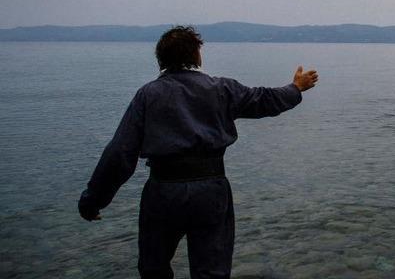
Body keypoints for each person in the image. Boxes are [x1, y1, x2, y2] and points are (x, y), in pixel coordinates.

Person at [78, 26, 318, 278]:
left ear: (161, 60)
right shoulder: (222, 89)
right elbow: (265, 100)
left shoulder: (148, 95)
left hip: (163, 191)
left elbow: (120, 154)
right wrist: (295, 88)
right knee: (211, 271)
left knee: (153, 268)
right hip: (210, 190)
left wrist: (93, 201)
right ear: (197, 56)